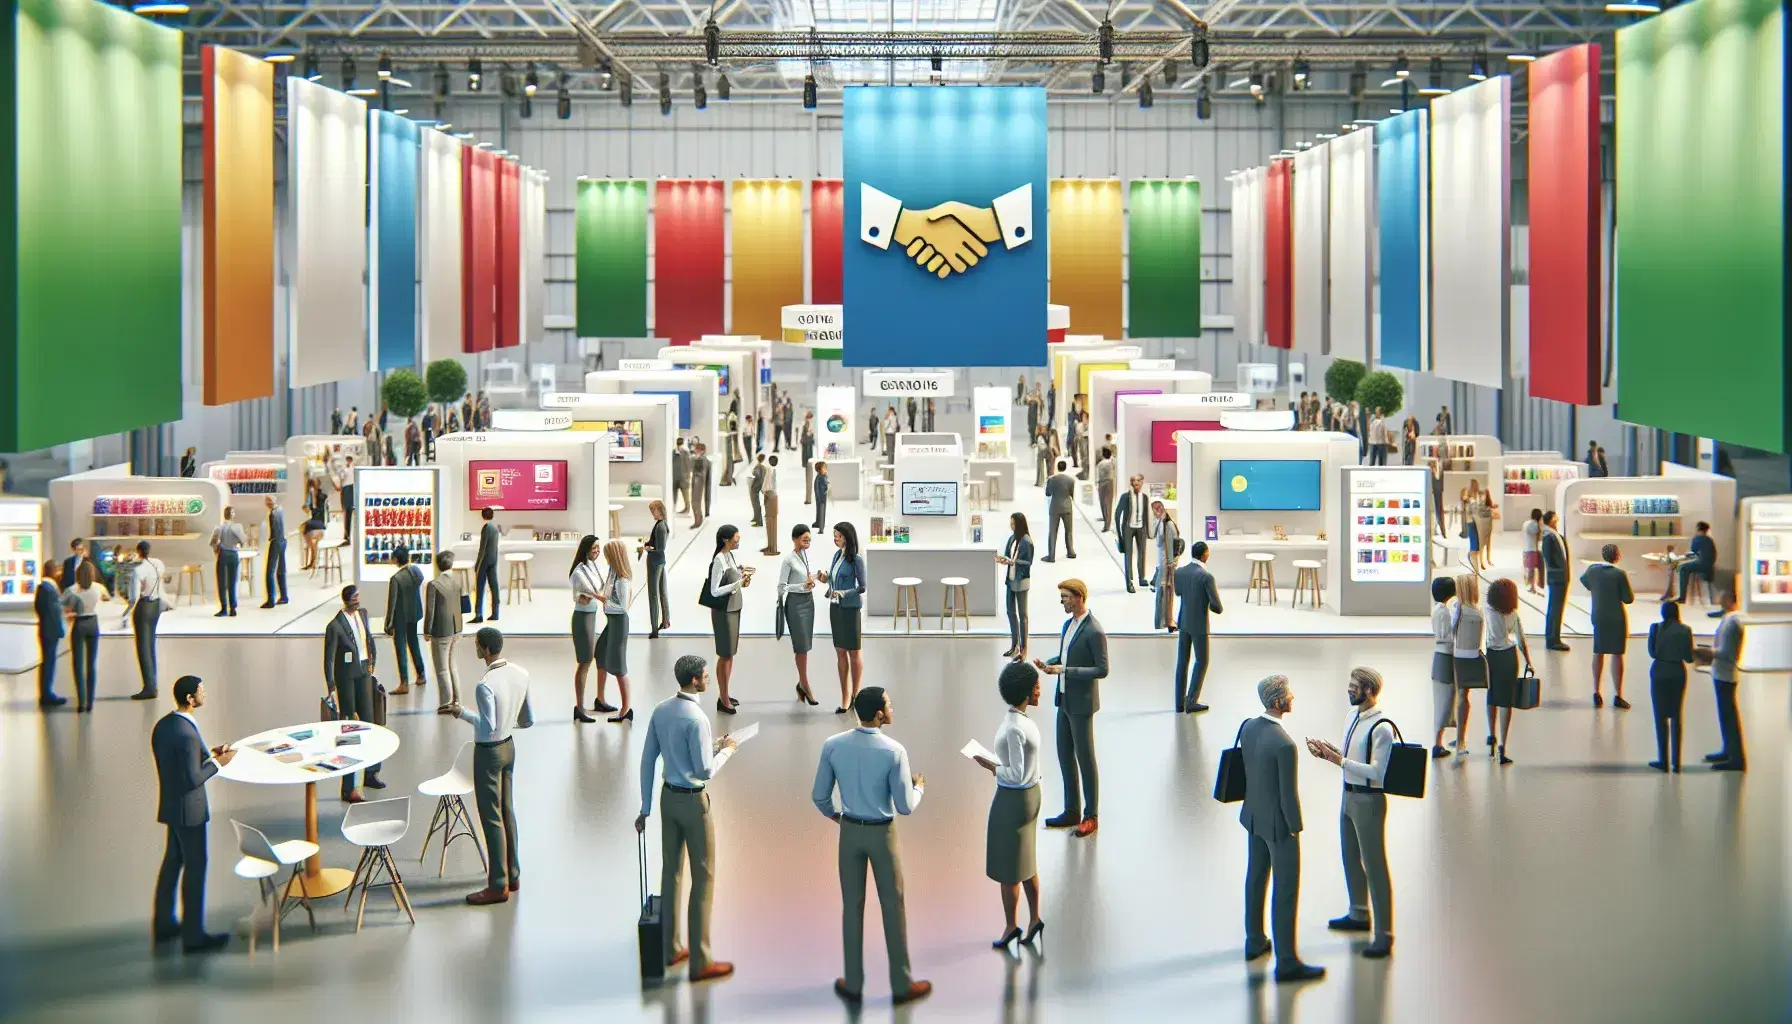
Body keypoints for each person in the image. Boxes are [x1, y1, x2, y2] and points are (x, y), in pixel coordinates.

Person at [811, 686, 932, 1007]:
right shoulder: (895, 751)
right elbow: (905, 806)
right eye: (889, 704)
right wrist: (919, 788)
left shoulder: (833, 746)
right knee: (893, 906)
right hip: (882, 834)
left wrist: (836, 816)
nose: (892, 708)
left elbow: (819, 795)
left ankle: (852, 982)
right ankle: (901, 984)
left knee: (852, 906)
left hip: (850, 831)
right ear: (879, 714)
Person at [636, 654, 738, 982]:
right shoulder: (697, 717)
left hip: (668, 798)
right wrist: (727, 750)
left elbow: (649, 758)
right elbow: (704, 769)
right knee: (704, 877)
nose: (708, 679)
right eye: (706, 675)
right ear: (695, 680)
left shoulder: (662, 709)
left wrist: (645, 807)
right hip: (695, 803)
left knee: (672, 873)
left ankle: (671, 947)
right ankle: (701, 961)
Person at [1303, 667, 1395, 960]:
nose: (1349, 690)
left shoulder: (1382, 727)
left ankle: (1384, 933)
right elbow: (1348, 756)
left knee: (1375, 864)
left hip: (1369, 800)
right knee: (1350, 855)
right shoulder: (1351, 717)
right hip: (1348, 795)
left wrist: (1338, 760)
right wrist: (1329, 752)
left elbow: (1378, 772)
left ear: (1369, 690)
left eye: (1355, 686)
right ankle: (1358, 912)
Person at [1239, 674, 1324, 982]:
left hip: (1253, 817)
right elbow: (1289, 795)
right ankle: (1287, 960)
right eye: (1288, 694)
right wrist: (1296, 827)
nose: (1292, 698)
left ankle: (1254, 940)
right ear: (1277, 702)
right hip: (1279, 825)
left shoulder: (1248, 727)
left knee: (1256, 876)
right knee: (1286, 889)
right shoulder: (1285, 745)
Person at [151, 675, 235, 954]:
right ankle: (194, 936)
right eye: (201, 691)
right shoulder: (186, 734)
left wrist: (209, 754)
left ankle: (163, 924)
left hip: (172, 807)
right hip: (190, 812)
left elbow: (179, 762)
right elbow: (192, 778)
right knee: (195, 868)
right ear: (190, 699)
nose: (204, 694)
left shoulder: (167, 725)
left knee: (173, 863)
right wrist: (219, 764)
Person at [452, 627, 533, 904]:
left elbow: (489, 726)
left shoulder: (484, 685)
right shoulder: (521, 673)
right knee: (507, 810)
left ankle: (498, 885)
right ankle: (513, 873)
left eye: (476, 645)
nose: (475, 648)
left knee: (491, 817)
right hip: (510, 748)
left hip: (489, 752)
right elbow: (527, 720)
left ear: (486, 650)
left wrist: (462, 713)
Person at [974, 662, 1045, 950]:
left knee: (1009, 869)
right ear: (1026, 694)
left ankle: (1011, 926)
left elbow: (1014, 774)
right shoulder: (1027, 723)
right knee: (1027, 862)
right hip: (1032, 795)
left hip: (1013, 800)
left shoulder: (1014, 727)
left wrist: (989, 765)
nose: (1040, 690)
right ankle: (1035, 918)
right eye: (1037, 686)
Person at [1036, 579, 1107, 838]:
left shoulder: (1094, 631)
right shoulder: (1068, 625)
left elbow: (1102, 669)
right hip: (1064, 700)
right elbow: (1065, 657)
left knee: (1086, 760)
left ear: (1078, 597)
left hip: (1081, 704)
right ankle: (1071, 810)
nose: (1062, 601)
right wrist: (1050, 664)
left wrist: (1065, 670)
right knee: (1065, 756)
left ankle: (1091, 815)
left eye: (1065, 597)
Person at [323, 585, 383, 802]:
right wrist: (331, 686)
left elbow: (369, 639)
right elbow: (329, 658)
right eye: (355, 597)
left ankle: (370, 772)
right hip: (346, 679)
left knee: (370, 723)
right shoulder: (335, 626)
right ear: (347, 600)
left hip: (364, 674)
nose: (358, 600)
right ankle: (349, 786)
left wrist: (373, 661)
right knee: (348, 729)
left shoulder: (363, 615)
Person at [1483, 577, 1532, 765]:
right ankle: (1503, 743)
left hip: (1491, 656)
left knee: (1492, 695)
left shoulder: (1488, 611)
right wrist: (1529, 660)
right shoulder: (1514, 614)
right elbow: (1521, 640)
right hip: (1509, 657)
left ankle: (1491, 734)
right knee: (1506, 701)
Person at [1581, 543, 1635, 709]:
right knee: (1617, 654)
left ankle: (1596, 691)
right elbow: (1628, 598)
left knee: (1598, 652)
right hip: (1616, 617)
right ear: (1617, 556)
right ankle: (1618, 694)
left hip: (1599, 615)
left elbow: (1584, 581)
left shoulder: (1592, 570)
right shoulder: (1619, 574)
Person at [1173, 540, 1223, 713]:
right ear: (1205, 555)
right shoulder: (1206, 576)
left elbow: (1178, 592)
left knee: (1182, 662)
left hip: (1184, 622)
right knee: (1202, 661)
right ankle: (1192, 700)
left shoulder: (1180, 572)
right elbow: (1217, 607)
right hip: (1200, 625)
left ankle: (1179, 703)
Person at [706, 525, 751, 715]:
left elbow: (731, 578)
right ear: (726, 539)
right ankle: (723, 699)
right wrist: (737, 583)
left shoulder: (729, 556)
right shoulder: (718, 560)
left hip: (734, 608)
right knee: (724, 655)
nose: (738, 541)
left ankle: (725, 693)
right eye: (736, 538)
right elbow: (714, 591)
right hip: (723, 612)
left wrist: (741, 575)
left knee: (730, 654)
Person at [1647, 601, 1694, 773]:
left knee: (1660, 718)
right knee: (1676, 716)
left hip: (1659, 671)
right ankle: (1677, 762)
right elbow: (1688, 657)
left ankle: (1663, 760)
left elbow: (1652, 652)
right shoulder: (1685, 630)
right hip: (1677, 672)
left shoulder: (1655, 628)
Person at [826, 522, 868, 714]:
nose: (835, 539)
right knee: (840, 652)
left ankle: (855, 696)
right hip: (835, 609)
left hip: (850, 609)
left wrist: (843, 593)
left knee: (854, 653)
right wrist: (824, 577)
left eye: (839, 536)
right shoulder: (836, 555)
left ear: (847, 538)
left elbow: (862, 587)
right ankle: (845, 697)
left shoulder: (856, 559)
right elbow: (833, 579)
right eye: (834, 535)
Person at [778, 524, 822, 706]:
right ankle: (804, 684)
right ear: (794, 539)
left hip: (808, 602)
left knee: (806, 644)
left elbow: (805, 577)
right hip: (795, 604)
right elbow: (781, 588)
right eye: (804, 539)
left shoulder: (805, 555)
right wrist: (801, 586)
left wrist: (815, 578)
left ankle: (801, 684)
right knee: (801, 645)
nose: (808, 542)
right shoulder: (788, 560)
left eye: (809, 539)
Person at [1705, 588, 1746, 771]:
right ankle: (1728, 750)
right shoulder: (1729, 619)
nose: (1719, 600)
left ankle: (1736, 758)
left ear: (1730, 599)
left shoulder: (1733, 622)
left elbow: (1728, 654)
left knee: (1729, 717)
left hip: (1726, 675)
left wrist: (1707, 652)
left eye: (1722, 597)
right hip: (1721, 673)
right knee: (1725, 716)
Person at [593, 539, 635, 724]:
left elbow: (623, 607)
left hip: (618, 622)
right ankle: (600, 699)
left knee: (618, 666)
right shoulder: (612, 573)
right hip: (611, 622)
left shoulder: (622, 580)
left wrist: (604, 601)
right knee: (600, 653)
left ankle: (626, 709)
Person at [1448, 572, 1487, 754]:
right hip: (1474, 656)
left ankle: (1460, 739)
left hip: (1458, 656)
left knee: (1459, 697)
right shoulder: (1478, 611)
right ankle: (1460, 738)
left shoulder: (1458, 609)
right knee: (1465, 696)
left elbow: (1450, 632)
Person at [61, 561, 107, 713]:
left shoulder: (72, 590)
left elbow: (63, 606)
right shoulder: (98, 588)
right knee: (91, 664)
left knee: (78, 665)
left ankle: (81, 702)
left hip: (79, 625)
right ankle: (90, 702)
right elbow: (106, 597)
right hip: (93, 623)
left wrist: (72, 613)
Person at [380, 546, 427, 694]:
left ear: (396, 559)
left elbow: (392, 603)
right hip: (414, 613)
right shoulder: (416, 572)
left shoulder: (396, 579)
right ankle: (421, 674)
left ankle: (404, 682)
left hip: (400, 617)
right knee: (414, 644)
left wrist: (388, 624)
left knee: (400, 648)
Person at [569, 535, 605, 723]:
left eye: (598, 548)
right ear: (585, 550)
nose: (597, 552)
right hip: (582, 619)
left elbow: (598, 588)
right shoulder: (579, 570)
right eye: (593, 549)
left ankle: (586, 705)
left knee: (589, 659)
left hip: (591, 616)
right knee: (585, 661)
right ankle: (580, 707)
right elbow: (593, 590)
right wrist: (598, 597)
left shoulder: (592, 566)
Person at [124, 540, 167, 700]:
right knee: (150, 644)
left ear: (138, 552)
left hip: (144, 606)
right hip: (155, 606)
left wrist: (126, 612)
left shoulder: (138, 570)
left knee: (143, 648)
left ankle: (149, 686)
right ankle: (152, 683)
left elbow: (134, 596)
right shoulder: (158, 564)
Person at [425, 551, 465, 715]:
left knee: (441, 668)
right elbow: (461, 606)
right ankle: (458, 699)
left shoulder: (434, 585)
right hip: (455, 628)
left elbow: (430, 610)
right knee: (452, 666)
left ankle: (445, 702)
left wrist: (427, 631)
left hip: (440, 631)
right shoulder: (457, 582)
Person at [996, 512, 1034, 663]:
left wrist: (1013, 562)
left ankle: (1024, 649)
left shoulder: (1027, 541)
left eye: (1013, 524)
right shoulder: (1012, 538)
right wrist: (1004, 560)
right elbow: (1008, 555)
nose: (1011, 526)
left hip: (1021, 581)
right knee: (1010, 612)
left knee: (1022, 615)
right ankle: (1014, 645)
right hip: (1011, 580)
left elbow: (1028, 562)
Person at [1428, 575, 1458, 758]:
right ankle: (1437, 743)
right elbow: (1447, 635)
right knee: (1445, 702)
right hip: (1446, 656)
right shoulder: (1444, 612)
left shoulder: (1437, 610)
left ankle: (1439, 742)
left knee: (1442, 702)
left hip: (1440, 656)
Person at [35, 564, 66, 709]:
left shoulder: (46, 588)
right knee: (49, 663)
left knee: (49, 662)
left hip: (47, 630)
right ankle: (46, 694)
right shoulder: (47, 589)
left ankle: (47, 692)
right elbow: (51, 613)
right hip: (49, 631)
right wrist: (58, 629)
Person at [1113, 473, 1150, 590]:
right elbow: (1117, 514)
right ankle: (1129, 582)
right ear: (1131, 483)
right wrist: (1119, 533)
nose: (1137, 483)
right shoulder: (1125, 497)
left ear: (1142, 482)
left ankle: (1141, 577)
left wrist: (1147, 530)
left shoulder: (1144, 498)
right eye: (1134, 481)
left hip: (1141, 528)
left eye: (1139, 480)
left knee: (1142, 553)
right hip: (1128, 528)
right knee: (1128, 555)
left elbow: (1146, 515)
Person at [1540, 511, 1570, 651]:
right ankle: (1552, 639)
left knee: (1557, 609)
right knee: (1555, 609)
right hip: (1556, 578)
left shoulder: (1556, 536)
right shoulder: (1548, 537)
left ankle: (1554, 637)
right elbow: (1549, 559)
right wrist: (1558, 571)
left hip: (1561, 577)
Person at [209, 507, 246, 618]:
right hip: (233, 555)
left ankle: (224, 608)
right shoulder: (238, 527)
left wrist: (217, 549)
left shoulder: (219, 528)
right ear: (232, 515)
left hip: (223, 554)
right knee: (232, 582)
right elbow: (243, 541)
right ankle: (233, 608)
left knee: (222, 583)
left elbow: (212, 542)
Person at [643, 500, 671, 638]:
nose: (652, 514)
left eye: (653, 511)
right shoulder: (661, 525)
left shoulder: (660, 526)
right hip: (659, 561)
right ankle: (665, 621)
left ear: (659, 510)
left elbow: (660, 548)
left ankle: (654, 628)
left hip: (655, 562)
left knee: (653, 594)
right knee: (662, 592)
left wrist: (648, 549)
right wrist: (648, 544)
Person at [1152, 500, 1180, 630]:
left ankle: (1169, 621)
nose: (1156, 512)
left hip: (1167, 565)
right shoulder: (1161, 524)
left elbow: (1171, 545)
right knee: (1162, 593)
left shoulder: (1168, 525)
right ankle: (1163, 621)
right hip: (1162, 563)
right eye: (1154, 509)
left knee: (1167, 593)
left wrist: (1170, 563)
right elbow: (1152, 535)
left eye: (1158, 509)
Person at [257, 495, 289, 607]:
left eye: (268, 501)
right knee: (281, 570)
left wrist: (271, 539)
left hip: (276, 541)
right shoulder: (280, 509)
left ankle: (271, 599)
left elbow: (274, 528)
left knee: (269, 572)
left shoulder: (273, 513)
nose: (267, 503)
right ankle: (284, 596)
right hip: (283, 541)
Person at [1043, 460, 1076, 563]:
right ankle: (1070, 552)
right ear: (1065, 467)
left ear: (1057, 467)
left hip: (1055, 508)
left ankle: (1051, 556)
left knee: (1052, 532)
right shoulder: (1071, 480)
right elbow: (1071, 494)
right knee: (1069, 531)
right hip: (1067, 507)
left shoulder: (1051, 480)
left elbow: (1048, 493)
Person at [471, 506, 501, 622]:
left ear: (482, 515)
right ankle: (495, 613)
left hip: (484, 561)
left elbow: (482, 548)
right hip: (493, 560)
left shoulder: (486, 528)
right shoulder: (495, 528)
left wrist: (477, 564)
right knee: (494, 587)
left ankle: (478, 614)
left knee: (480, 587)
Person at [1678, 521, 1717, 604]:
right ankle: (1711, 600)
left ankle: (1682, 597)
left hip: (1700, 565)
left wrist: (1683, 556)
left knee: (1683, 568)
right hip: (1710, 567)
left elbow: (1692, 554)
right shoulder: (1710, 540)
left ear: (1698, 529)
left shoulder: (1697, 538)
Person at [301, 478, 329, 570]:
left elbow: (317, 510)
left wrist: (313, 498)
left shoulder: (322, 496)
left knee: (311, 537)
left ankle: (313, 561)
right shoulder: (310, 495)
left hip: (320, 522)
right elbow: (308, 509)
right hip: (314, 522)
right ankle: (312, 559)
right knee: (304, 528)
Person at [760, 455, 782, 556]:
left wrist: (766, 493)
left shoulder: (772, 471)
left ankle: (773, 549)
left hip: (771, 496)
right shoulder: (770, 470)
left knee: (772, 522)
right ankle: (770, 546)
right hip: (769, 496)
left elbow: (770, 486)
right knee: (769, 522)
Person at [1521, 508, 1544, 596]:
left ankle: (1530, 585)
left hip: (1526, 548)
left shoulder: (1526, 523)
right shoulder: (1534, 524)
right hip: (1532, 549)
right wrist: (1540, 526)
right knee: (1532, 570)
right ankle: (1531, 587)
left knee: (1527, 568)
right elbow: (1539, 536)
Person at [690, 441, 713, 528]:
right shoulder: (705, 460)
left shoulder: (700, 460)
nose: (695, 450)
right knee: (697, 502)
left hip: (698, 483)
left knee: (695, 502)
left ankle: (698, 521)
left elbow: (700, 473)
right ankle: (699, 518)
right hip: (699, 482)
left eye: (697, 449)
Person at [1093, 447, 1114, 530]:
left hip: (1103, 482)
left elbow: (1098, 475)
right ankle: (1107, 521)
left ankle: (1106, 523)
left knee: (1104, 503)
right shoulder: (1110, 462)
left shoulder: (1102, 464)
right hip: (1108, 482)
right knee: (1108, 504)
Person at [801, 412, 816, 505]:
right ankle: (808, 498)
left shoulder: (807, 425)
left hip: (807, 453)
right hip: (807, 453)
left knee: (809, 477)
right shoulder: (808, 425)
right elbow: (807, 437)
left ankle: (808, 498)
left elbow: (806, 437)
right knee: (808, 477)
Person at [747, 453, 767, 528]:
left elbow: (756, 474)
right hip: (758, 486)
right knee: (755, 504)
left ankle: (758, 521)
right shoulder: (763, 467)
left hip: (755, 487)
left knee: (756, 504)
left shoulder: (759, 467)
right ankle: (756, 518)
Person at [811, 460, 829, 530]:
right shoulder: (821, 477)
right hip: (821, 497)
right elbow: (824, 485)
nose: (825, 470)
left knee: (820, 510)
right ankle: (819, 523)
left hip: (821, 497)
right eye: (824, 468)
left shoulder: (821, 476)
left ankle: (820, 523)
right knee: (820, 510)